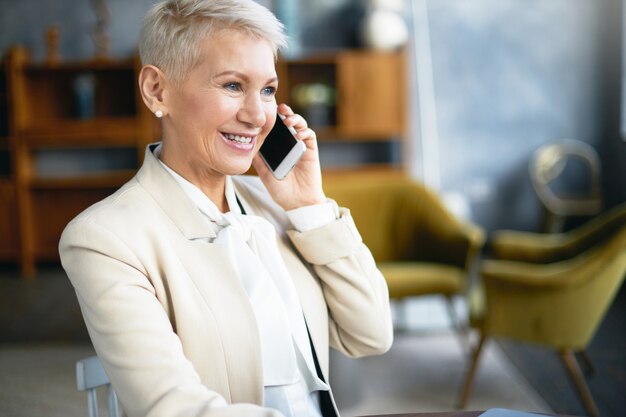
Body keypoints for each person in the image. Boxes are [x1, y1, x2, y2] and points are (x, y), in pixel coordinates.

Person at [59, 0, 393, 416]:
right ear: (156, 90)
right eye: (233, 85)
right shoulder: (104, 239)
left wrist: (309, 206)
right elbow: (173, 407)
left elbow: (371, 334)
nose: (257, 116)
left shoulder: (277, 208)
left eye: (268, 90)